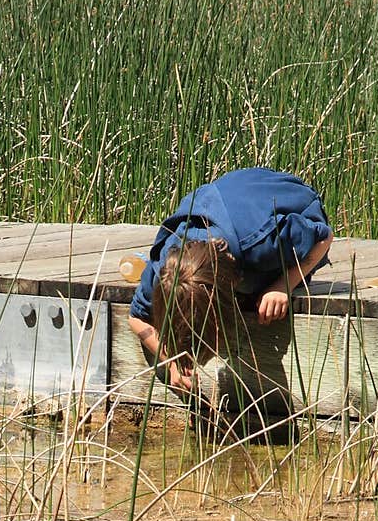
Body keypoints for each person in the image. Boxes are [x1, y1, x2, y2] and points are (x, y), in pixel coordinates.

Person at [128, 167, 333, 392]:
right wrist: (171, 362)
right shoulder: (167, 268)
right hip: (228, 199)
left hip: (284, 198)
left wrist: (283, 285)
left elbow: (323, 236)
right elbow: (136, 318)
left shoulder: (262, 244)